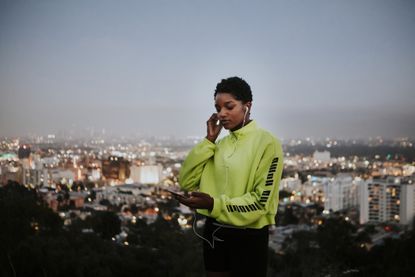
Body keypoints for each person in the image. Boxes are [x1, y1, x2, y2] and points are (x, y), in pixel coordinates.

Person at [176, 76, 283, 277]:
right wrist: (209, 140)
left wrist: (214, 205)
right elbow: (187, 181)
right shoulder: (219, 145)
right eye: (218, 108)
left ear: (247, 106)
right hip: (215, 232)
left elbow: (260, 203)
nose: (222, 114)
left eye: (229, 106)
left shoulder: (267, 143)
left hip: (249, 236)